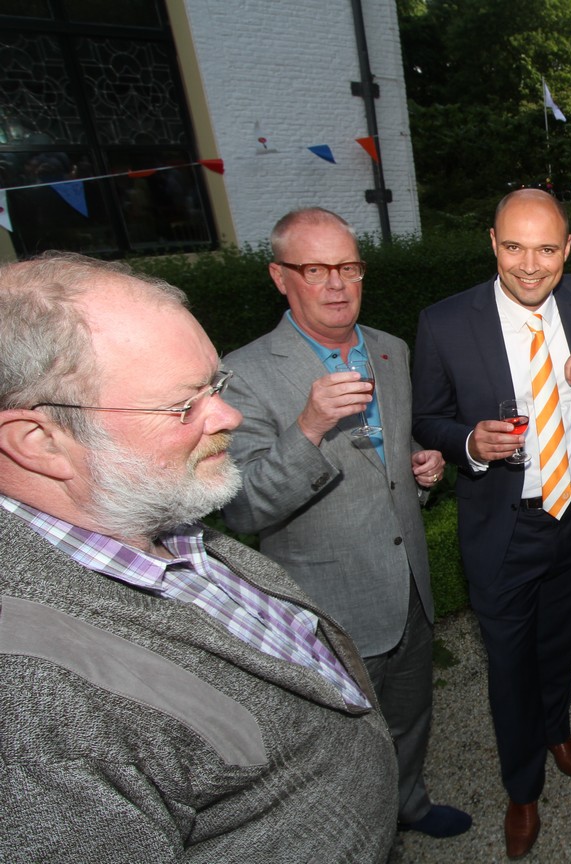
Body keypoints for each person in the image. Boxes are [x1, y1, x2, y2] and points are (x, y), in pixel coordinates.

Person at [0, 252, 398, 862]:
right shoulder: (27, 698)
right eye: (183, 405)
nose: (228, 416)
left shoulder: (153, 514)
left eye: (216, 386)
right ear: (39, 442)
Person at [220, 208, 470, 840]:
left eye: (349, 267)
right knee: (342, 739)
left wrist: (421, 466)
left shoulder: (390, 349)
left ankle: (409, 804)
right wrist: (309, 427)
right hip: (327, 607)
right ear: (280, 277)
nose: (336, 284)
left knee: (411, 715)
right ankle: (359, 836)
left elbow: (390, 457)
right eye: (315, 269)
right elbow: (242, 507)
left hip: (408, 585)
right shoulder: (243, 373)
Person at [411, 189, 571, 858]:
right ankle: (523, 786)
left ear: (568, 249)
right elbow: (427, 418)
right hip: (502, 528)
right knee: (508, 666)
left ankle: (556, 729)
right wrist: (469, 443)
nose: (530, 265)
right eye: (513, 247)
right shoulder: (445, 322)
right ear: (492, 243)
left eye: (546, 248)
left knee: (562, 643)